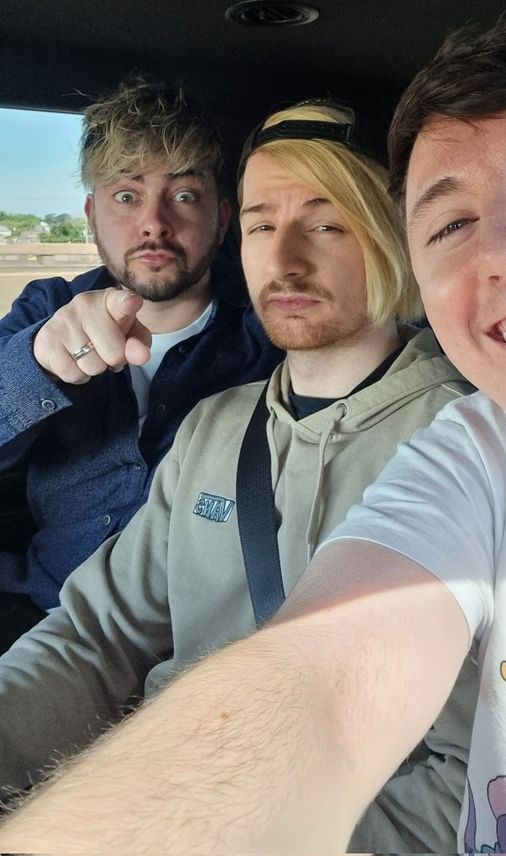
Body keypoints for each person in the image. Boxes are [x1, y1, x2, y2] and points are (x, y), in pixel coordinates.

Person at [0, 101, 477, 852]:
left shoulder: (472, 447)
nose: (284, 259)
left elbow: (476, 770)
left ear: (389, 234)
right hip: (156, 782)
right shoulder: (216, 425)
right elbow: (96, 636)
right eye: (261, 224)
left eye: (325, 222)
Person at [0, 76, 282, 650]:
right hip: (38, 612)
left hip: (203, 644)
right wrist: (40, 365)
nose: (154, 223)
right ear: (91, 215)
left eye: (183, 195)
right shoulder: (45, 309)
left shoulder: (273, 331)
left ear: (224, 219)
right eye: (126, 196)